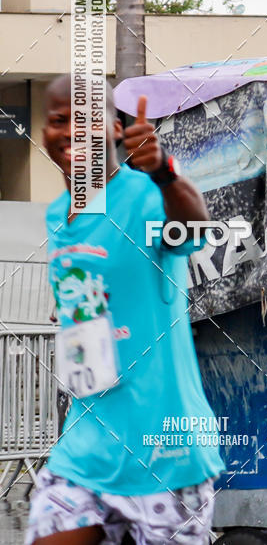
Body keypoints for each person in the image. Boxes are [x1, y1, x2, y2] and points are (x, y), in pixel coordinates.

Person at [26, 75, 225, 545]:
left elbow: (195, 229)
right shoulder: (59, 214)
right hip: (87, 444)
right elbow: (92, 288)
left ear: (116, 129)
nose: (69, 132)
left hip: (164, 450)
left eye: (86, 120)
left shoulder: (146, 196)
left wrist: (165, 173)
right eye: (58, 120)